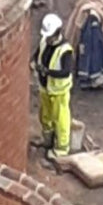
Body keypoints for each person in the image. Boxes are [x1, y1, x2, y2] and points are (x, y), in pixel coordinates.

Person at [34, 12, 74, 158]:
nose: (48, 39)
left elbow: (65, 72)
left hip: (59, 91)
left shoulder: (65, 50)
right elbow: (37, 53)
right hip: (45, 88)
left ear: (57, 33)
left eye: (50, 36)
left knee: (60, 119)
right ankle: (47, 142)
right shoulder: (44, 41)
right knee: (45, 116)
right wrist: (34, 62)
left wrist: (48, 72)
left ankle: (61, 149)